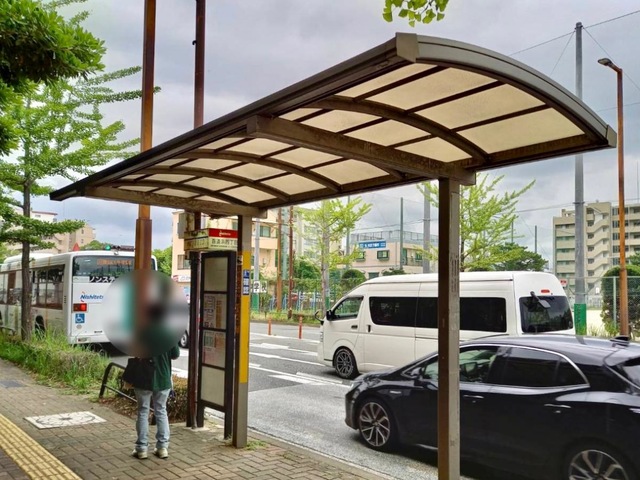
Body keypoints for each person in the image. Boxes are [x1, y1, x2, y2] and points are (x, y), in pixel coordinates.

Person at [132, 342, 180, 460]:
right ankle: (162, 448)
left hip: (143, 378)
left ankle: (141, 449)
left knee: (143, 411)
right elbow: (175, 354)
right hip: (163, 377)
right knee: (161, 410)